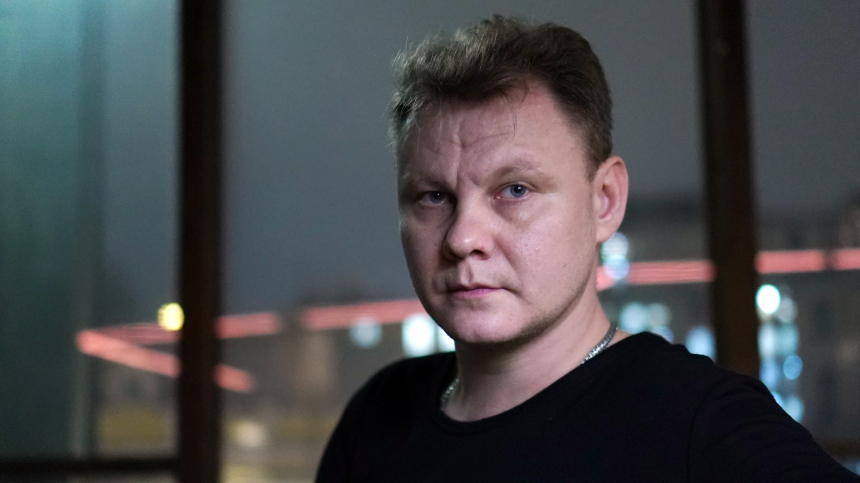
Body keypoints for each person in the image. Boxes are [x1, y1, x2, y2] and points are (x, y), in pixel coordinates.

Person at [316, 16, 859, 482]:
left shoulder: (701, 422)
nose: (462, 239)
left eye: (515, 190)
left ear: (604, 201)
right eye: (434, 197)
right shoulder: (378, 414)